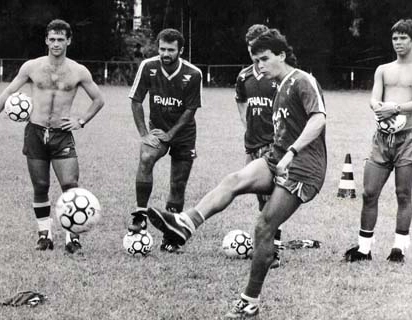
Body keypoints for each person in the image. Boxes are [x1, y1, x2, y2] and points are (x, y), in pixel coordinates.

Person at [146, 29, 327, 318]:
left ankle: (249, 301)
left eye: (265, 59)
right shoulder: (277, 85)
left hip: (303, 167)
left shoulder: (303, 81)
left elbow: (319, 119)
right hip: (276, 156)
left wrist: (292, 153)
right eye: (256, 61)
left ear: (282, 55)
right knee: (234, 180)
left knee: (264, 226)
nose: (260, 66)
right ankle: (185, 225)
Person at [0, 19, 105, 253]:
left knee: (70, 185)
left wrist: (81, 121)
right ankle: (44, 235)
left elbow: (99, 100)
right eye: (52, 39)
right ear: (46, 40)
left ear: (69, 41)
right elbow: (8, 93)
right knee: (40, 186)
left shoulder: (79, 71)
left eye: (61, 39)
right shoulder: (32, 67)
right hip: (35, 133)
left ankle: (72, 238)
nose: (56, 44)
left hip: (62, 135)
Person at [344, 19, 412, 263]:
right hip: (382, 139)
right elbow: (374, 99)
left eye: (403, 38)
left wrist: (393, 108)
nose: (398, 43)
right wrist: (378, 107)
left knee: (403, 194)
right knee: (369, 193)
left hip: (408, 138)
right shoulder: (383, 69)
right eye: (395, 38)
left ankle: (399, 249)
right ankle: (363, 249)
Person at [127, 28, 202, 252]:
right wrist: (144, 133)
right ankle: (140, 214)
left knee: (177, 185)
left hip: (184, 135)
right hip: (158, 131)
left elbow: (190, 109)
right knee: (147, 155)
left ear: (180, 50)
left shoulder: (193, 73)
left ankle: (171, 236)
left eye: (170, 49)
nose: (165, 53)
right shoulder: (148, 67)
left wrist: (172, 134)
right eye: (162, 49)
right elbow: (136, 100)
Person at [235, 24, 282, 268]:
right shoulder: (244, 76)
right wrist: (247, 124)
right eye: (251, 48)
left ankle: (271, 250)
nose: (254, 54)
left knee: (269, 195)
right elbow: (240, 101)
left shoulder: (277, 77)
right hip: (251, 143)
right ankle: (271, 241)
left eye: (259, 48)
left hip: (271, 143)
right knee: (259, 195)